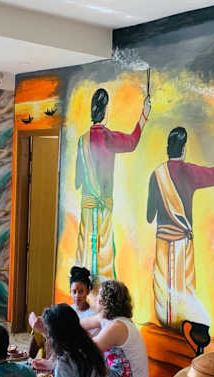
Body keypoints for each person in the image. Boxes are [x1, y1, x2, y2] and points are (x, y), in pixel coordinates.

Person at [147, 122, 214, 330]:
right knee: (183, 289)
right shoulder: (189, 172)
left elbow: (150, 217)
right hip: (182, 243)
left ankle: (165, 329)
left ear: (168, 148)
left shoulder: (156, 175)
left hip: (162, 243)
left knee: (163, 290)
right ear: (184, 149)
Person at [75, 88, 151, 278]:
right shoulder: (108, 137)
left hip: (86, 207)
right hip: (103, 207)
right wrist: (144, 115)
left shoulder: (82, 141)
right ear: (106, 109)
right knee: (104, 254)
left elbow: (77, 181)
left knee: (85, 253)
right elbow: (132, 142)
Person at [82, 280, 149, 377]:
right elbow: (77, 325)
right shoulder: (108, 319)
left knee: (88, 364)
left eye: (99, 295)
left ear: (105, 302)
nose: (96, 298)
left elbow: (87, 352)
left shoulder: (117, 327)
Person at [29, 266, 95, 359]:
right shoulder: (68, 309)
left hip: (73, 349)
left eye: (81, 291)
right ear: (70, 291)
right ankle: (28, 359)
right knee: (40, 329)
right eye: (74, 291)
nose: (77, 295)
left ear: (87, 291)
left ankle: (48, 364)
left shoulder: (92, 314)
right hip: (59, 343)